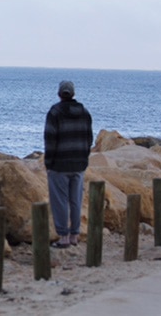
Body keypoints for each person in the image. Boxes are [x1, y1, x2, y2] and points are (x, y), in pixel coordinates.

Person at [44, 80, 93, 248]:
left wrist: (48, 163)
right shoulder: (84, 113)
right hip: (79, 164)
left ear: (59, 94)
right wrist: (84, 159)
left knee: (60, 201)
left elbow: (50, 140)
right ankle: (75, 234)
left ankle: (63, 236)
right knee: (76, 200)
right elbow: (89, 139)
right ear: (73, 94)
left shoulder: (55, 112)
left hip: (59, 165)